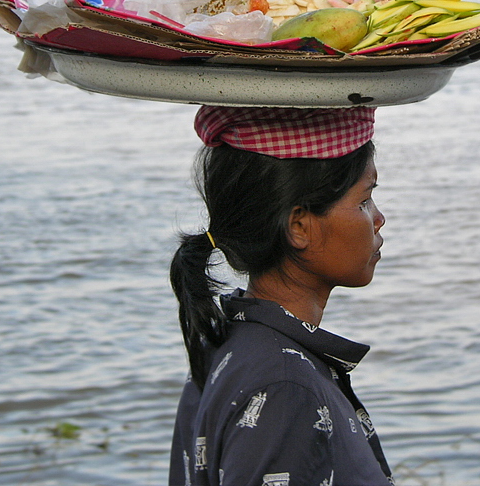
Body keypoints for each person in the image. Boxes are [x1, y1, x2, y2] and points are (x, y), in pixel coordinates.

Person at [168, 105, 394, 486]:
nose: (378, 218)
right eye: (363, 200)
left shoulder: (225, 348)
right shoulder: (286, 388)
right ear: (299, 226)